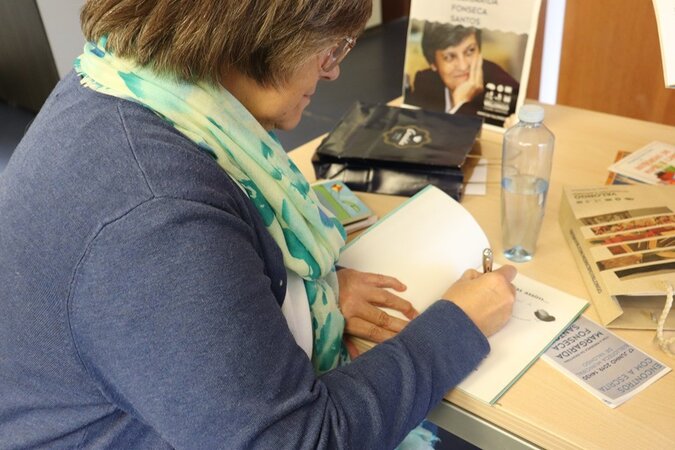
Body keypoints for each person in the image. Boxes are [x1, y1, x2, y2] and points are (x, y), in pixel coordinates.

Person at [0, 1, 517, 448]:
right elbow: (299, 440)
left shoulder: (117, 84)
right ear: (260, 33)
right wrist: (457, 327)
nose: (334, 71)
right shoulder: (156, 218)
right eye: (330, 47)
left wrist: (306, 300)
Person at [405, 21, 520, 127]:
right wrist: (459, 105)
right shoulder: (425, 81)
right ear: (433, 64)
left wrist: (461, 105)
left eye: (470, 51)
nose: (463, 66)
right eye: (449, 57)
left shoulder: (507, 88)